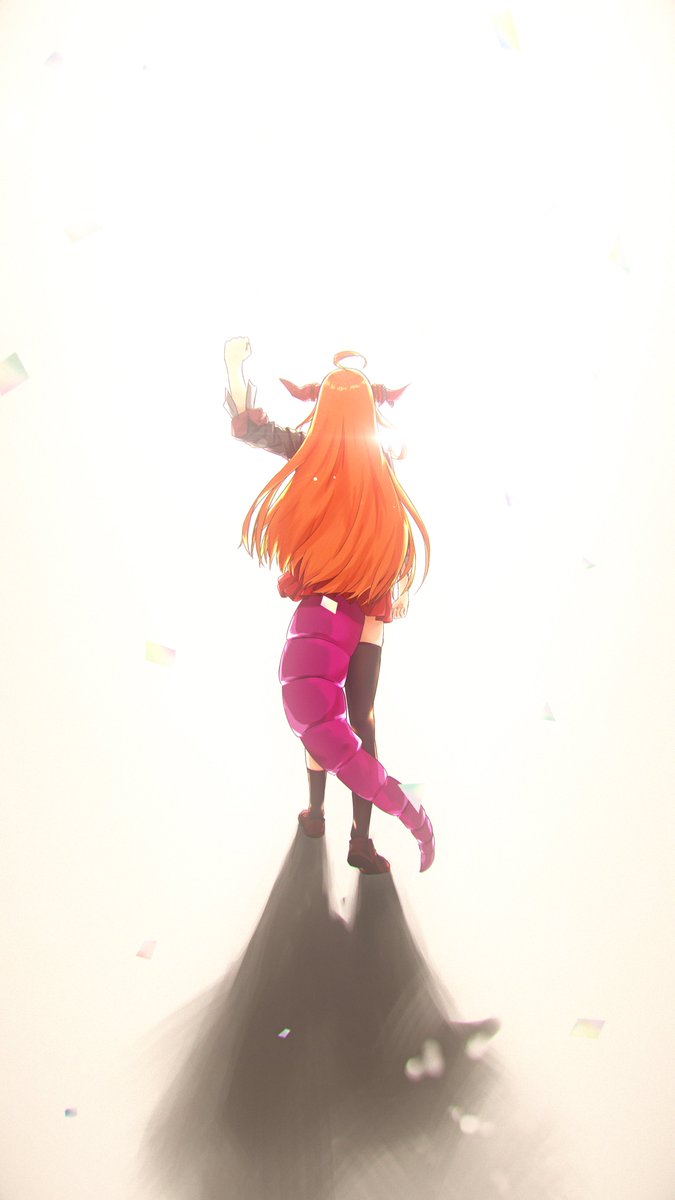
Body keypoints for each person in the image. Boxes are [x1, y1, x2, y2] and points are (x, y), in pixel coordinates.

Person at [224, 338, 434, 873]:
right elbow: (255, 430)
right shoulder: (372, 455)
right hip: (363, 604)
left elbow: (251, 429)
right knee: (358, 716)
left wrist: (235, 372)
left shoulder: (313, 447)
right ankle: (355, 838)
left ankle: (319, 815)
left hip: (333, 601)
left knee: (326, 709)